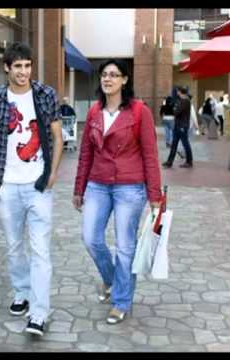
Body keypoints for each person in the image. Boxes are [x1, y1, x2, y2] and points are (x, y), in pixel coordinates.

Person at [73, 59, 161, 325]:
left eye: (114, 75)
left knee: (125, 247)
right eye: (104, 75)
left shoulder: (139, 111)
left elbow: (150, 154)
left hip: (129, 187)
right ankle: (111, 280)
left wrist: (154, 195)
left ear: (124, 80)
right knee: (90, 238)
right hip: (98, 184)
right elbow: (86, 153)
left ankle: (121, 301)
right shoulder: (94, 112)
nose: (108, 79)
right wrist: (79, 187)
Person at [0, 42, 63, 337]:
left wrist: (53, 173)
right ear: (7, 68)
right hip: (8, 184)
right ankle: (21, 292)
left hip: (38, 184)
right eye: (17, 66)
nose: (23, 71)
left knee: (40, 250)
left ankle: (39, 314)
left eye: (27, 65)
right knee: (15, 246)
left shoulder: (45, 95)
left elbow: (56, 134)